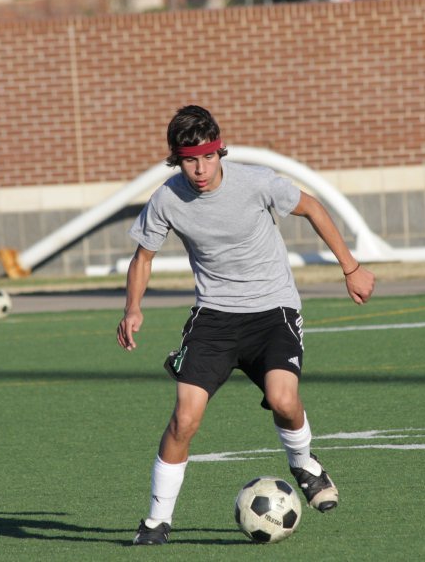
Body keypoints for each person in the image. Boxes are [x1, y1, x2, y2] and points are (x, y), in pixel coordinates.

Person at [117, 105, 376, 545]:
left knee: (283, 400)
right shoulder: (167, 199)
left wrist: (350, 266)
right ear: (177, 159)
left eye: (207, 157)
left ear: (220, 151)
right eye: (189, 160)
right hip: (214, 320)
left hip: (273, 312)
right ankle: (157, 521)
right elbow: (144, 257)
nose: (199, 170)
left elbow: (312, 208)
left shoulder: (256, 182)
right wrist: (132, 308)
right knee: (184, 419)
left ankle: (303, 464)